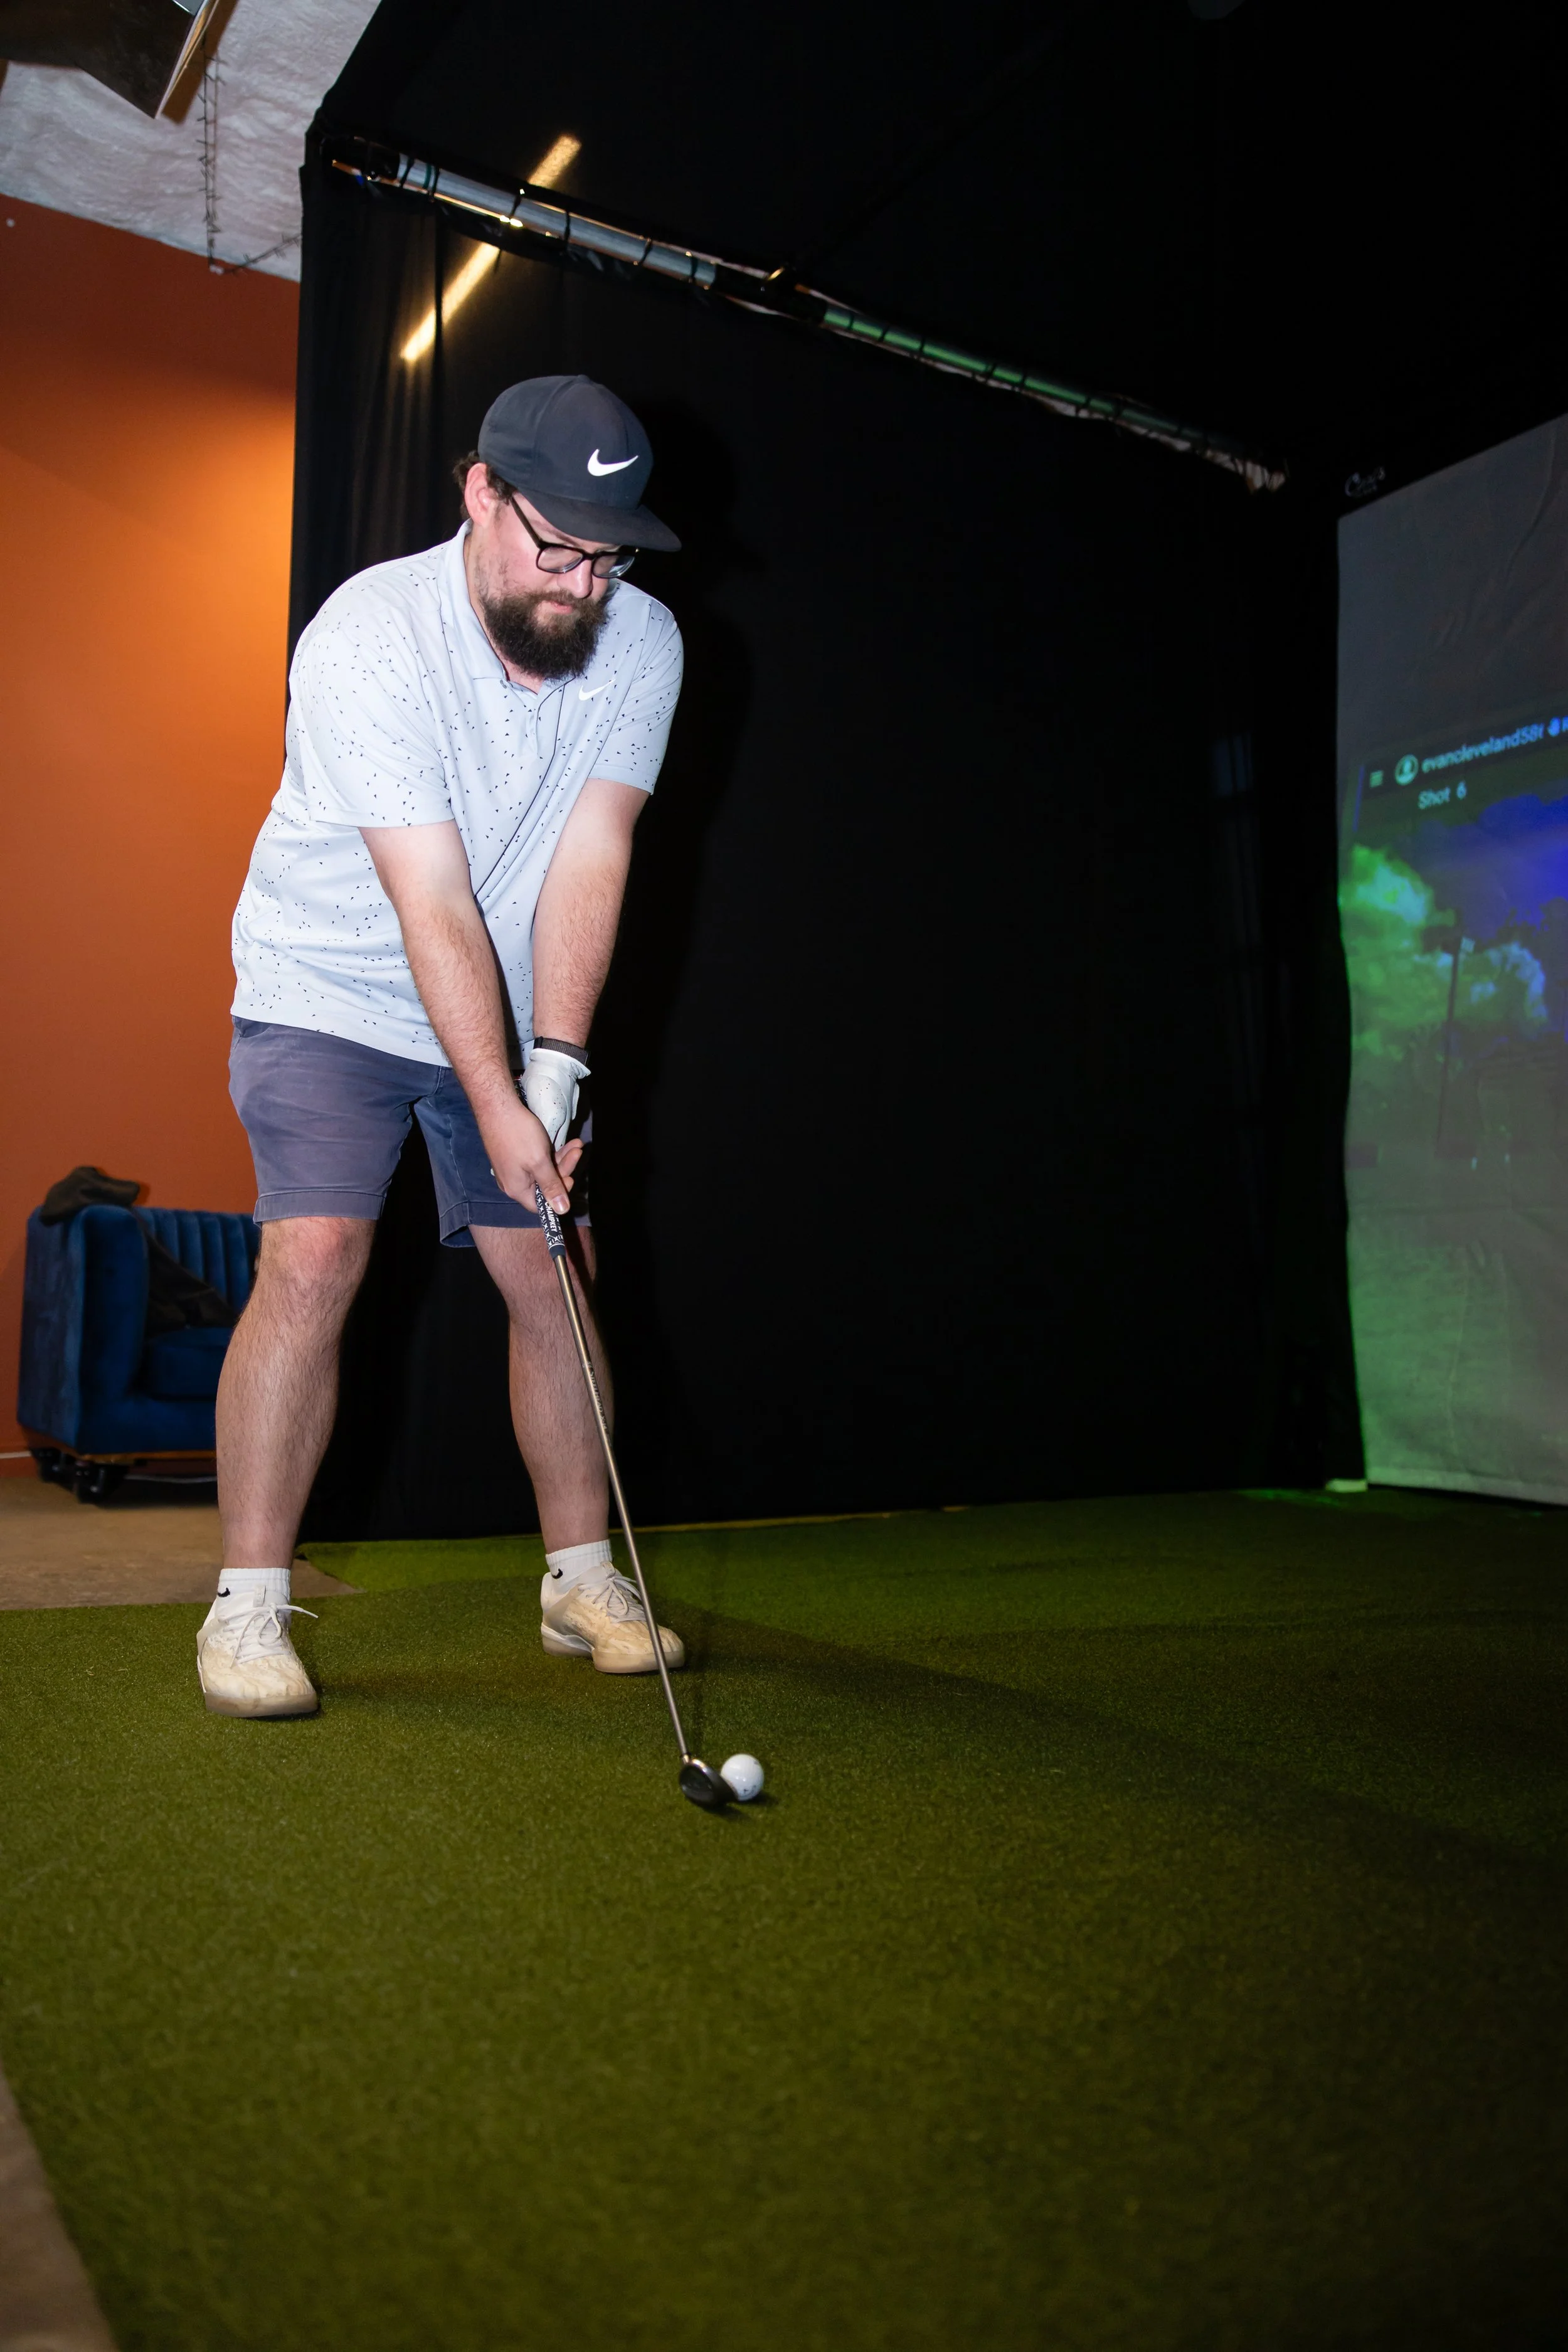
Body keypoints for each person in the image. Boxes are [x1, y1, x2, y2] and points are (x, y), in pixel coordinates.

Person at [199, 374, 686, 1719]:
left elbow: (592, 857)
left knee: (556, 1275)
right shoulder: (369, 634)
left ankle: (581, 1578)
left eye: (611, 553)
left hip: (510, 994)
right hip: (332, 982)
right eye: (557, 546)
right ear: (481, 492)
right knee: (315, 1253)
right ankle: (248, 1605)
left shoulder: (642, 643)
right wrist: (494, 1097)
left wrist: (552, 1073)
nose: (585, 586)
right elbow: (432, 901)